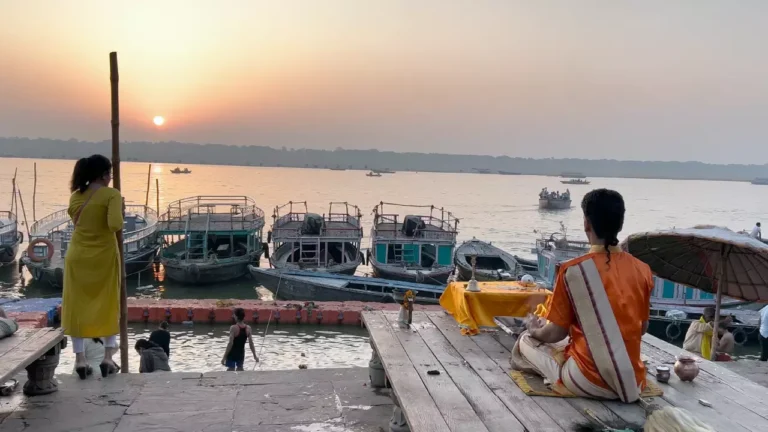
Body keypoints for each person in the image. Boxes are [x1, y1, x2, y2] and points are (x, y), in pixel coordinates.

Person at [510, 189, 652, 402]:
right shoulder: (643, 269)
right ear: (620, 224)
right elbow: (642, 328)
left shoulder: (572, 270)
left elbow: (555, 334)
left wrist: (533, 330)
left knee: (525, 342)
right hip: (633, 381)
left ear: (587, 223)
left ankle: (559, 375)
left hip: (589, 381)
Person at [61, 155, 124, 380]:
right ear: (103, 174)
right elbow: (114, 225)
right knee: (108, 303)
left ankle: (80, 360)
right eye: (109, 173)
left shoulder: (76, 196)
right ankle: (107, 358)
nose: (110, 178)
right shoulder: (112, 195)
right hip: (104, 257)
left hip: (77, 255)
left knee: (76, 306)